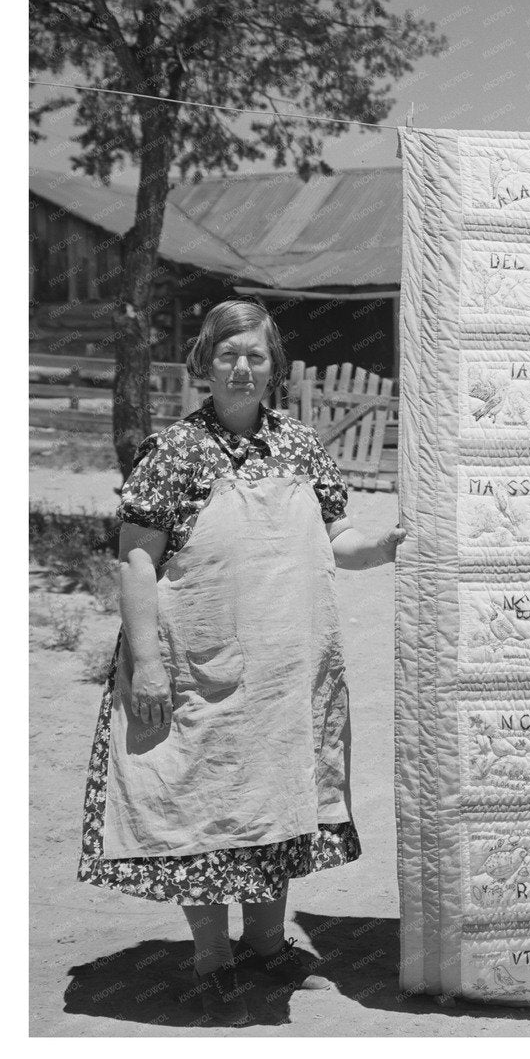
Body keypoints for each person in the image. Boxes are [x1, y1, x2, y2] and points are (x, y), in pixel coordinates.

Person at [76, 299, 405, 1027]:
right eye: (228, 354)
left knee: (277, 798)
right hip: (196, 670)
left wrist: (385, 546)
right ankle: (211, 959)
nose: (242, 368)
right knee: (200, 803)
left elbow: (337, 538)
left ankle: (265, 944)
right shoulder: (176, 451)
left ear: (274, 365)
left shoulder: (300, 445)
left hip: (285, 672)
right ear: (206, 362)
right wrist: (148, 663)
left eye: (255, 355)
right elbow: (136, 559)